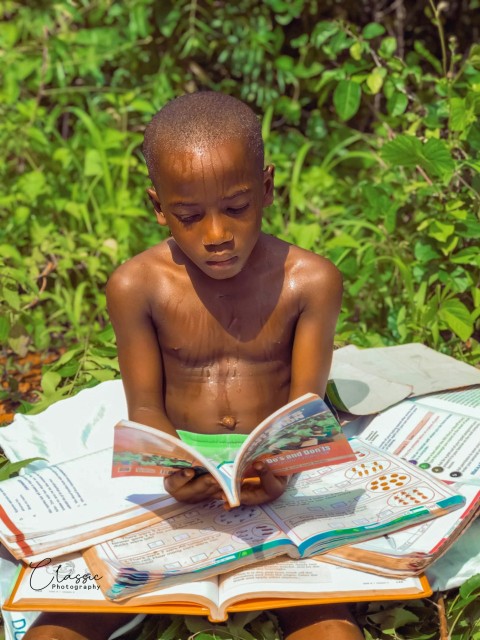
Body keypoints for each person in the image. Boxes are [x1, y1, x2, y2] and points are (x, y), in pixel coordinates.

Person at [25, 92, 363, 640]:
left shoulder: (310, 282)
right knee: (56, 629)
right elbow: (146, 409)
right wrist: (172, 471)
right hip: (176, 489)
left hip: (275, 482)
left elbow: (305, 406)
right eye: (189, 215)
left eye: (236, 207)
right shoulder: (137, 286)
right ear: (159, 207)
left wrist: (279, 471)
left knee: (332, 632)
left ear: (268, 188)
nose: (216, 235)